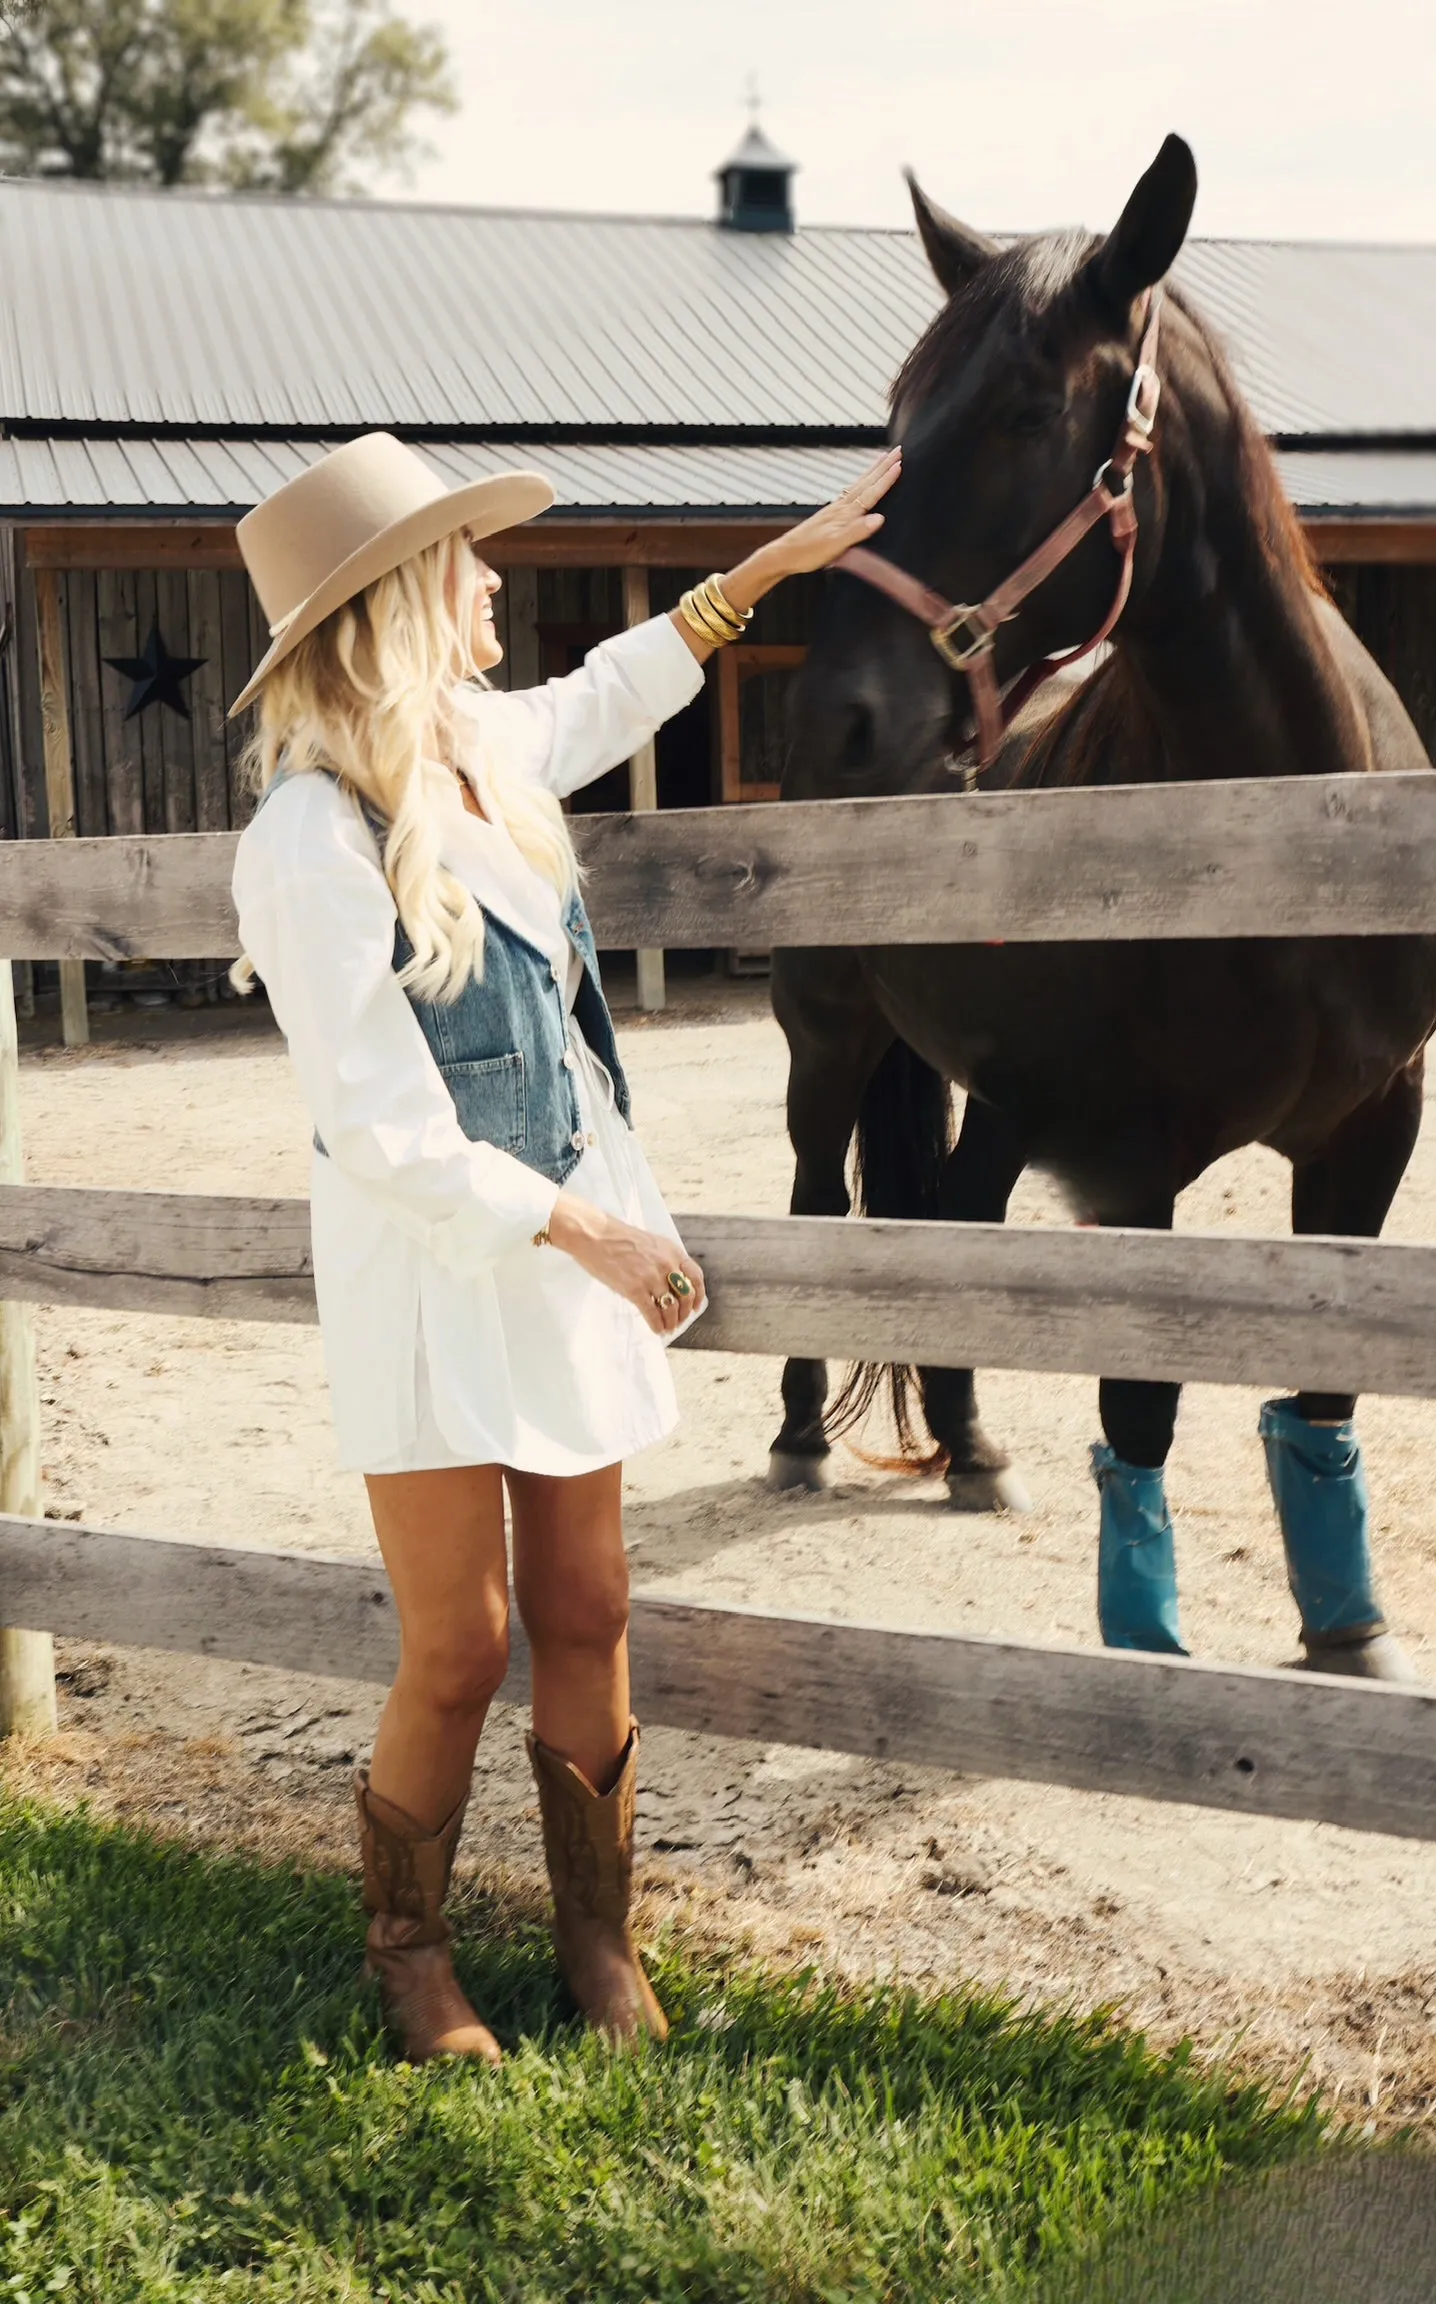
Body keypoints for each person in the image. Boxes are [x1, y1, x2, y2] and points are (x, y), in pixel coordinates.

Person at [230, 431, 900, 2061]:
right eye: (464, 560)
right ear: (395, 602)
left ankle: (601, 1946)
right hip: (434, 1272)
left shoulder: (483, 751)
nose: (491, 581)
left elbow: (615, 685)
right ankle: (410, 1954)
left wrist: (769, 573)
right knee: (458, 1644)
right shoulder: (308, 842)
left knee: (590, 1604)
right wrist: (587, 1226)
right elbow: (382, 1127)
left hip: (562, 1255)